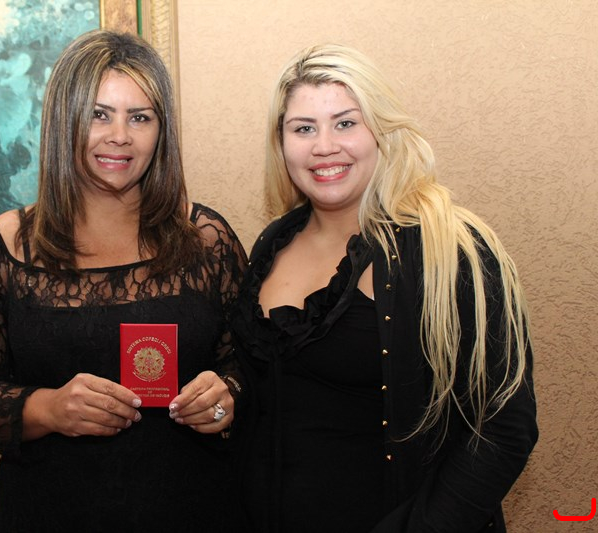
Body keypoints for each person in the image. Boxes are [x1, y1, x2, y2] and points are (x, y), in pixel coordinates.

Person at [0, 30, 247, 532]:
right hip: (46, 513)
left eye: (140, 117)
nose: (119, 135)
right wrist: (49, 408)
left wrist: (228, 394)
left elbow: (252, 364)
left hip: (193, 508)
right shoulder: (8, 246)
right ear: (64, 121)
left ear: (161, 131)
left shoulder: (205, 239)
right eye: (99, 114)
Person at [230, 44, 538, 532]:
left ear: (381, 131)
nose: (324, 146)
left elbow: (504, 425)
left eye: (345, 123)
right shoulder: (274, 241)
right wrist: (225, 391)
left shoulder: (449, 247)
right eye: (303, 128)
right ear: (281, 142)